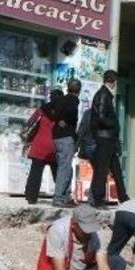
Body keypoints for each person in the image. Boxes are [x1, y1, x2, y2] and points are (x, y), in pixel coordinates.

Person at [89, 70, 129, 207]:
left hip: (109, 139)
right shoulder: (103, 95)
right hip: (104, 139)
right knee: (101, 171)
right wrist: (112, 124)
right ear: (112, 81)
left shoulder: (106, 95)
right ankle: (98, 199)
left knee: (116, 169)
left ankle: (123, 197)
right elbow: (100, 117)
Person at [24, 90, 62, 204]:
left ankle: (31, 197)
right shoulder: (62, 114)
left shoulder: (42, 110)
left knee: (35, 172)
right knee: (58, 174)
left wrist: (27, 139)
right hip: (53, 147)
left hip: (39, 145)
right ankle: (61, 196)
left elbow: (30, 123)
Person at [51, 79, 81, 208]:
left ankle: (66, 196)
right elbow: (72, 115)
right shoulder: (73, 100)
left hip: (57, 136)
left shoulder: (60, 99)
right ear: (78, 90)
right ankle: (59, 197)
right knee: (65, 167)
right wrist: (67, 121)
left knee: (67, 167)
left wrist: (59, 120)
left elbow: (51, 111)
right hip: (66, 136)